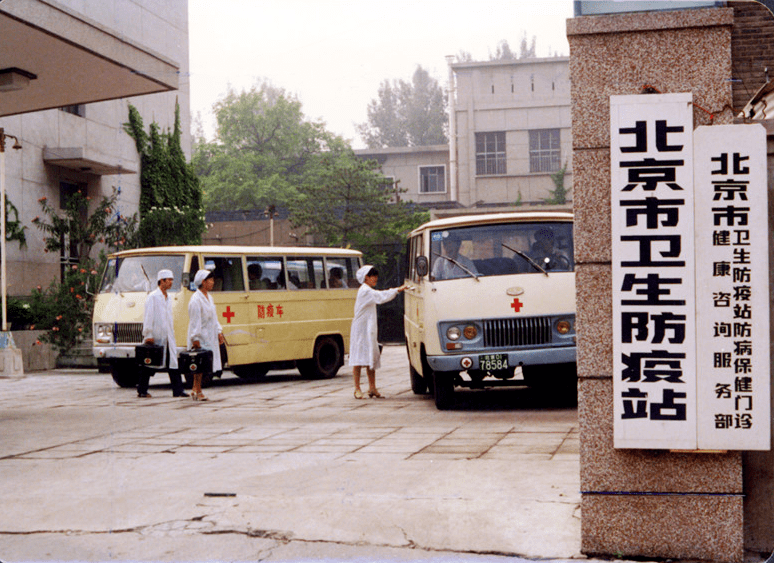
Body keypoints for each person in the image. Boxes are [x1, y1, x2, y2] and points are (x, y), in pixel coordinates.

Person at [349, 265, 406, 399]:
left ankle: (372, 388)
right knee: (358, 358)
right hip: (360, 329)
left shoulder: (368, 290)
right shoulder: (365, 290)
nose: (375, 279)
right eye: (372, 276)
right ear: (366, 278)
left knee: (371, 357)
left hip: (368, 328)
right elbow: (381, 296)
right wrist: (398, 290)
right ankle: (357, 388)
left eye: (376, 276)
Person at [137, 269, 187, 398]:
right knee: (149, 364)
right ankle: (142, 390)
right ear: (162, 281)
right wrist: (148, 335)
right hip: (156, 336)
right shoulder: (153, 297)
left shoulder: (168, 297)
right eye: (168, 280)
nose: (170, 283)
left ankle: (178, 390)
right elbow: (148, 316)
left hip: (168, 336)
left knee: (173, 363)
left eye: (171, 280)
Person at [187, 269, 225, 401]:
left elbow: (214, 317)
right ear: (203, 282)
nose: (213, 282)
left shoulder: (209, 297)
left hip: (210, 334)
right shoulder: (195, 300)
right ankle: (198, 390)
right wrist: (195, 338)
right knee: (199, 364)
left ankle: (194, 389)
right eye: (211, 280)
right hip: (201, 335)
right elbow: (194, 321)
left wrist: (219, 331)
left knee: (203, 364)